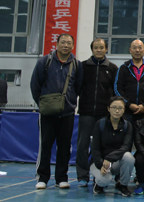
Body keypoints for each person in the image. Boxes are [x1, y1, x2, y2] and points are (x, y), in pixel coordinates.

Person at [30, 33, 83, 190]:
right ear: (57, 44)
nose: (66, 45)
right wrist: (43, 104)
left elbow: (78, 87)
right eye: (63, 42)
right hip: (47, 113)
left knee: (65, 147)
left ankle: (61, 178)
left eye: (69, 43)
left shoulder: (77, 64)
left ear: (73, 46)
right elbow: (35, 85)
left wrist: (69, 102)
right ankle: (42, 178)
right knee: (45, 146)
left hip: (67, 113)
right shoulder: (44, 62)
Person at [76, 38, 118, 187]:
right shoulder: (82, 67)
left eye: (101, 47)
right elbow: (77, 87)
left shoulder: (112, 68)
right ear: (92, 49)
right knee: (82, 145)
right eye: (96, 47)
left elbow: (115, 92)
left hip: (104, 114)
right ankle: (82, 175)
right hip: (86, 112)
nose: (99, 50)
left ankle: (98, 174)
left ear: (106, 49)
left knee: (101, 146)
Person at [90, 96, 135, 197]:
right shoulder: (100, 124)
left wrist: (109, 158)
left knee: (129, 157)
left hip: (114, 163)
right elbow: (95, 148)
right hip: (100, 162)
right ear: (108, 109)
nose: (117, 111)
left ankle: (123, 185)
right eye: (114, 107)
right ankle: (99, 183)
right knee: (104, 180)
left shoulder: (127, 126)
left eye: (120, 108)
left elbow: (126, 147)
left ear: (124, 110)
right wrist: (101, 164)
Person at [114, 39, 144, 123]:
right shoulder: (124, 68)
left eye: (140, 48)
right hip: (127, 111)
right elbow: (118, 88)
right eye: (134, 48)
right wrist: (129, 104)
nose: (137, 50)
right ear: (130, 50)